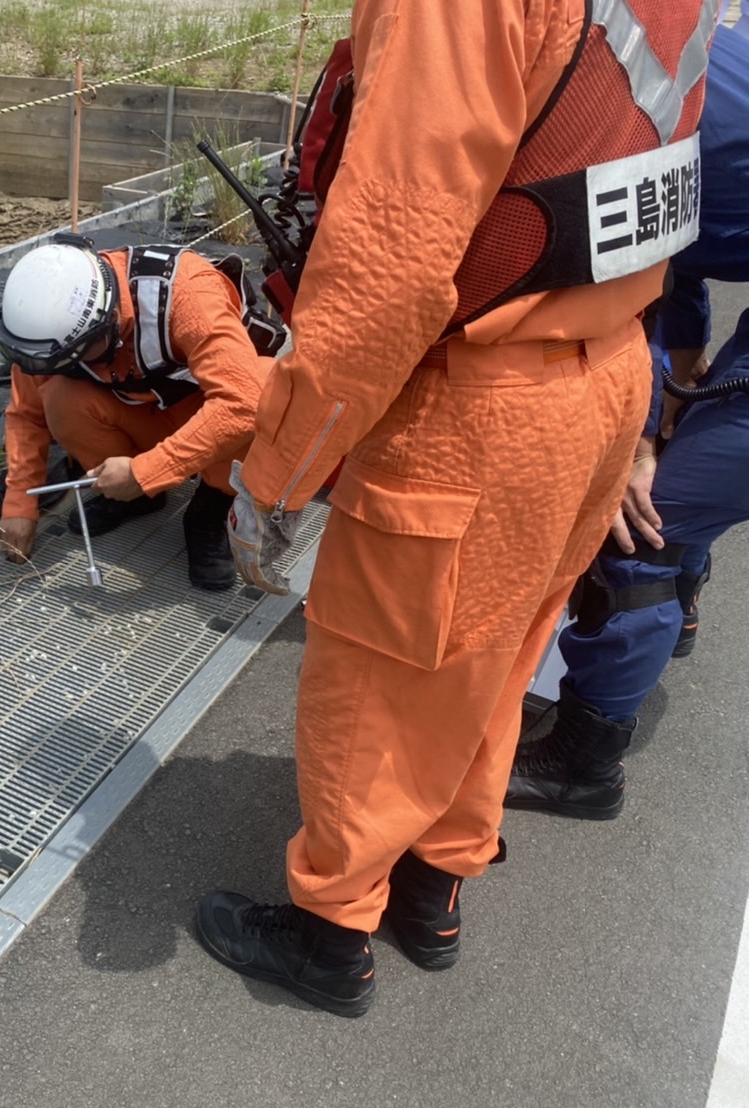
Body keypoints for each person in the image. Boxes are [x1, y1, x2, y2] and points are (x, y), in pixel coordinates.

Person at [195, 0, 715, 1017]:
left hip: (480, 402)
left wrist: (275, 475)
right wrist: (639, 414)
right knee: (498, 656)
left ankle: (329, 933)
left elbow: (386, 269)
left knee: (378, 680)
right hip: (606, 370)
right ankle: (433, 887)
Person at [506, 15, 749, 821]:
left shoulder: (591, 95)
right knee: (687, 462)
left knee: (643, 526)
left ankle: (583, 764)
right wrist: (682, 377)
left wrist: (632, 445)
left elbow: (620, 287)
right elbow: (671, 245)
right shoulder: (671, 48)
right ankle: (678, 612)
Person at [0, 234, 271, 591]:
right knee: (61, 398)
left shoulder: (188, 294)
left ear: (106, 326)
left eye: (75, 356)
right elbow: (28, 414)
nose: (61, 365)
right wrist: (19, 503)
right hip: (143, 411)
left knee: (263, 391)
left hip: (206, 417)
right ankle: (135, 498)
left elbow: (243, 402)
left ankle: (212, 508)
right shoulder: (50, 331)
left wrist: (147, 471)